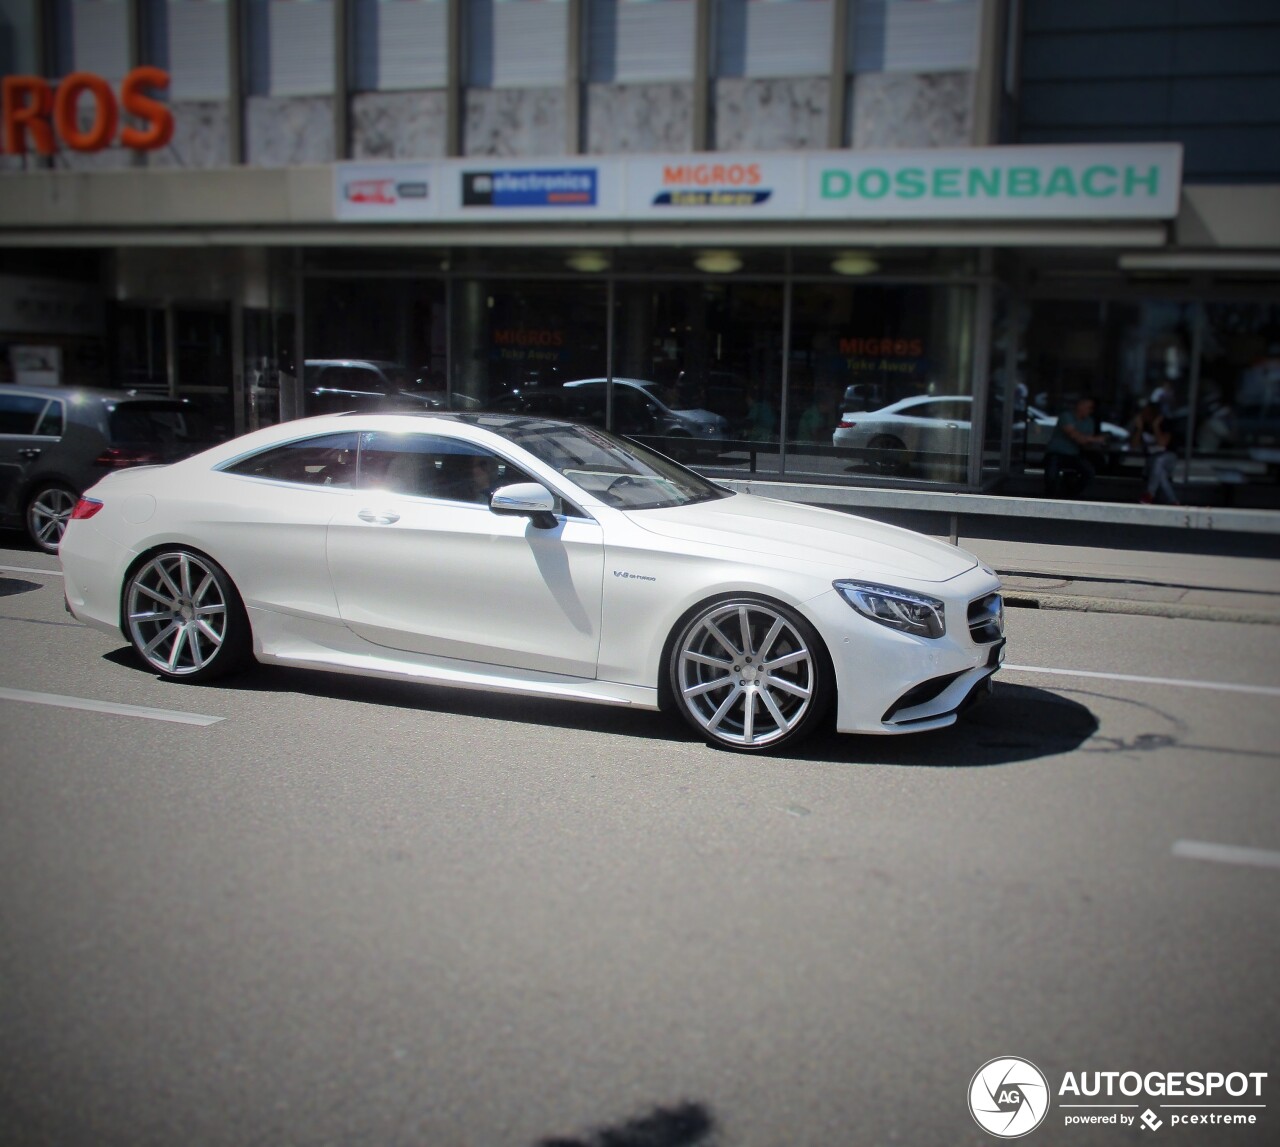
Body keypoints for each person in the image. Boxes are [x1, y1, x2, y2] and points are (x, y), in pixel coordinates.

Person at [1043, 394, 1108, 497]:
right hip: (1056, 453)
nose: (1089, 411)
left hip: (1073, 455)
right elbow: (1074, 435)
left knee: (1089, 472)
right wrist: (1096, 439)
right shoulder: (1066, 416)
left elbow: (1085, 443)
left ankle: (1069, 496)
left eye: (1091, 408)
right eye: (1088, 407)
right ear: (1080, 406)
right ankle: (1050, 498)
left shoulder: (1089, 421)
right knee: (1051, 476)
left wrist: (1096, 443)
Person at [1131, 400, 1180, 505]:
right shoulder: (1142, 425)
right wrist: (1139, 429)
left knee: (1159, 461)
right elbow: (1134, 445)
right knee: (1160, 473)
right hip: (1151, 459)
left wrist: (1156, 426)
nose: (1146, 415)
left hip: (1168, 457)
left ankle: (1149, 493)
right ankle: (1173, 502)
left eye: (1149, 413)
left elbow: (1162, 443)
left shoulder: (1165, 423)